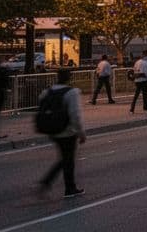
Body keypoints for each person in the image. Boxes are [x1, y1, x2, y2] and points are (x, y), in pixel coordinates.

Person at [37, 68, 86, 198]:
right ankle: (68, 188)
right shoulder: (72, 92)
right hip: (68, 131)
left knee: (65, 158)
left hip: (53, 129)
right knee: (68, 160)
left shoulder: (47, 92)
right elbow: (75, 114)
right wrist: (81, 132)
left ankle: (52, 182)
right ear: (69, 78)